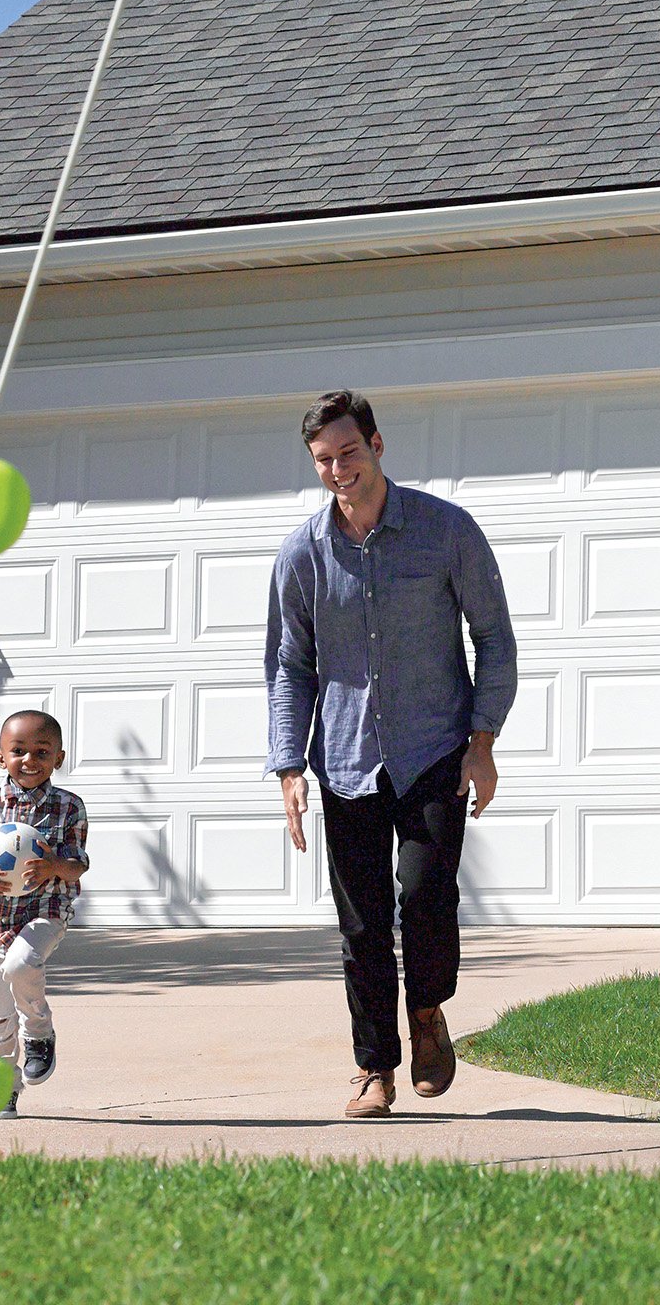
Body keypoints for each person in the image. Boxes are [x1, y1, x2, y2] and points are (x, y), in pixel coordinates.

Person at [265, 390, 516, 1121]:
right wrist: (288, 767)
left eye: (348, 452)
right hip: (344, 761)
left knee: (427, 895)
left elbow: (493, 638)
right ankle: (375, 1068)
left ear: (377, 444)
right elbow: (290, 664)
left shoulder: (446, 531)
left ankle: (429, 1011)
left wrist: (483, 742)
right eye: (323, 461)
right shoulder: (303, 553)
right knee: (363, 924)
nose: (338, 470)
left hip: (435, 747)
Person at [0, 709, 89, 1120]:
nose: (29, 760)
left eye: (42, 752)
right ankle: (2, 1087)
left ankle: (39, 1033)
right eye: (19, 751)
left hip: (45, 911)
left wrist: (53, 867)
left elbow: (78, 863)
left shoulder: (68, 807)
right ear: (1, 755)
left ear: (59, 758)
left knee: (22, 963)